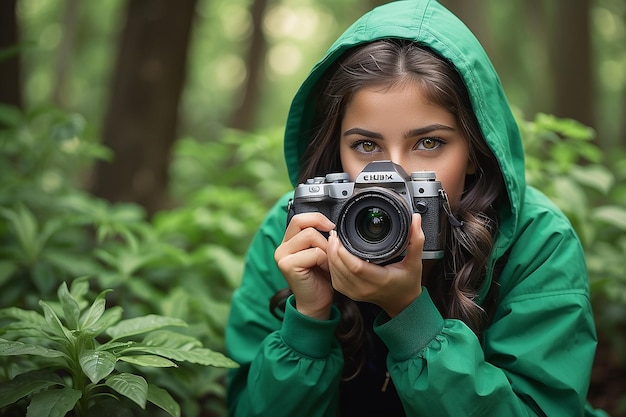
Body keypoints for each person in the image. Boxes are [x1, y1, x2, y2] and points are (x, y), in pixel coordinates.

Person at [226, 1, 607, 416]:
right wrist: (308, 320)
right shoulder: (299, 232)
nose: (395, 173)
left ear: (476, 152)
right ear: (337, 151)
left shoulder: (538, 242)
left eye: (429, 143)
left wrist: (411, 318)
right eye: (366, 146)